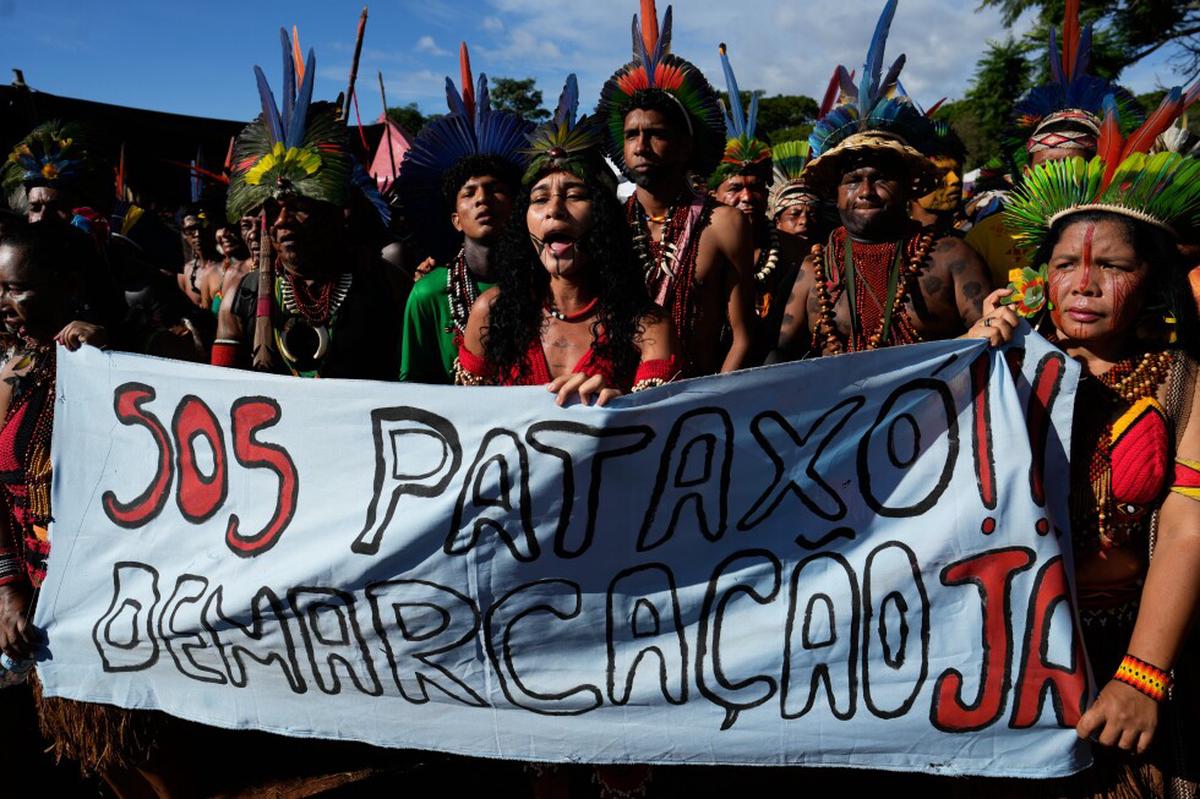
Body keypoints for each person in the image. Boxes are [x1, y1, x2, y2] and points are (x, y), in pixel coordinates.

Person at [996, 88, 1200, 795]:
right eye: (1065, 266)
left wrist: (1142, 675)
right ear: (1039, 276)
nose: (1083, 284)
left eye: (1111, 266)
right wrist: (972, 357)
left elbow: (1187, 523)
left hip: (1136, 645)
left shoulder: (1184, 382)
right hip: (1009, 651)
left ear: (1152, 282)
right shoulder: (1001, 369)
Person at [770, 2, 991, 360]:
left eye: (882, 179)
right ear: (835, 191)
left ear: (907, 185)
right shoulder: (816, 269)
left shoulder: (950, 255)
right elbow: (778, 357)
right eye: (852, 180)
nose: (866, 192)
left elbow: (990, 345)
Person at [456, 74, 681, 404]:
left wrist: (622, 406)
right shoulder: (491, 311)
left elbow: (660, 426)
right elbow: (466, 418)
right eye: (539, 199)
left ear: (603, 216)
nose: (554, 210)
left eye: (574, 195)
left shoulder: (648, 327)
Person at [212, 39, 408, 379]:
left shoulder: (387, 285)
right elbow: (221, 392)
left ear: (337, 211)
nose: (282, 222)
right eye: (272, 209)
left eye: (299, 207)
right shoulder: (240, 298)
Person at [597, 0, 754, 376]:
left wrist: (712, 401)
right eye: (632, 135)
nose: (640, 146)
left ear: (685, 146)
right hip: (617, 397)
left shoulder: (724, 224)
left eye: (656, 134)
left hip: (698, 399)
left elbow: (744, 338)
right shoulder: (607, 222)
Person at [965, 1, 1140, 287]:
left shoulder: (1131, 235)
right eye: (1048, 168)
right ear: (1027, 173)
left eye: (1074, 166)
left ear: (1099, 168)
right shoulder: (985, 237)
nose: (1060, 179)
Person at [396, 43, 532, 384]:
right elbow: (414, 389)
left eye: (495, 189)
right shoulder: (428, 294)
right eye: (469, 193)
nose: (483, 199)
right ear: (456, 219)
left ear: (517, 206)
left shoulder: (545, 285)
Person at [707, 44, 807, 359]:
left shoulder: (798, 251)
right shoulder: (696, 253)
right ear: (713, 194)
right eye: (735, 188)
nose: (747, 197)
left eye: (756, 187)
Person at [909, 120, 967, 234]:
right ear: (912, 181)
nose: (955, 179)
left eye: (958, 171)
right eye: (942, 172)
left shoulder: (973, 240)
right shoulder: (890, 243)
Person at [200, 222, 251, 315]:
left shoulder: (257, 268)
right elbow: (206, 318)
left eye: (231, 227)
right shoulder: (210, 274)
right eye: (220, 227)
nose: (224, 233)